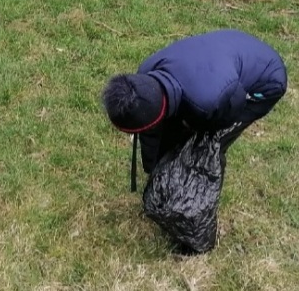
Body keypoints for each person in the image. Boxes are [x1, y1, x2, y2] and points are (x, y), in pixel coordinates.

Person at [102, 28, 287, 203]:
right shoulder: (145, 74)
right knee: (179, 128)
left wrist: (200, 131)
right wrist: (154, 171)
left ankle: (192, 199)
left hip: (266, 78)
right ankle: (168, 178)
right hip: (227, 46)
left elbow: (235, 102)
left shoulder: (207, 102)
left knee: (209, 142)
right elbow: (151, 132)